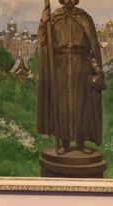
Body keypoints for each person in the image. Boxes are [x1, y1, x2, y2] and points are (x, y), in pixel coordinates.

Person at [36, 0, 104, 155]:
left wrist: (97, 69)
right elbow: (43, 41)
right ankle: (64, 143)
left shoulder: (85, 18)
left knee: (82, 105)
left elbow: (92, 49)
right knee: (62, 105)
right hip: (60, 67)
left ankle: (81, 143)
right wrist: (43, 23)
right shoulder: (54, 18)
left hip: (81, 67)